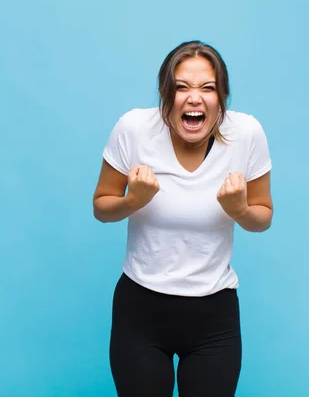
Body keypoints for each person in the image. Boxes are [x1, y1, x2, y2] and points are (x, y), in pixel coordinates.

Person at [92, 40, 273, 396]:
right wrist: (133, 202)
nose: (194, 98)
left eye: (208, 88)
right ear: (165, 95)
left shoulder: (247, 134)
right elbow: (101, 206)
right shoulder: (134, 128)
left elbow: (263, 216)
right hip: (140, 311)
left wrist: (239, 210)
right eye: (181, 87)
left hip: (214, 315)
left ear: (221, 97)